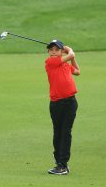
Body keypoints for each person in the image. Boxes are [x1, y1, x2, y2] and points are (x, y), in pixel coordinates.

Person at [45, 39, 80, 175]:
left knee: (65, 132)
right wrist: (70, 51)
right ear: (48, 52)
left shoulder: (65, 64)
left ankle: (63, 165)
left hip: (70, 103)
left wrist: (72, 56)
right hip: (56, 104)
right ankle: (59, 160)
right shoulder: (50, 62)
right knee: (58, 133)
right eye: (51, 50)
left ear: (61, 51)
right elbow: (70, 55)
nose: (53, 52)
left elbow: (77, 71)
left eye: (56, 50)